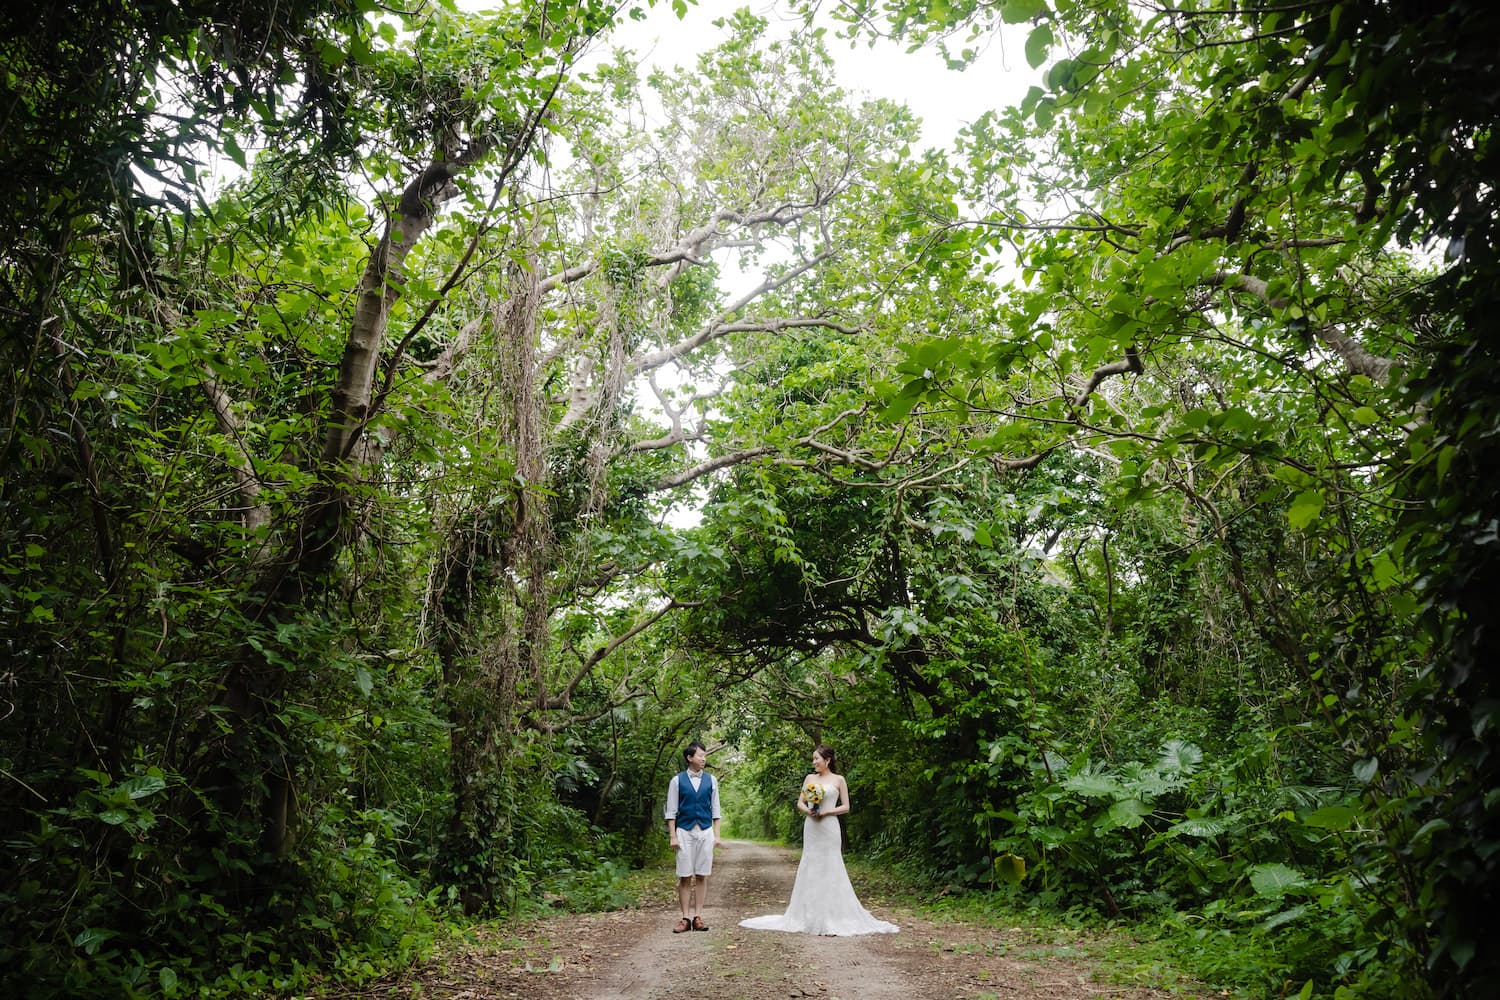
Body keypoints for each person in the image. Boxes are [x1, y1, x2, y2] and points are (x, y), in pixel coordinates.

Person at [739, 744, 899, 936]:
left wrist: (827, 811)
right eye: (813, 759)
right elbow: (800, 802)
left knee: (831, 864)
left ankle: (834, 915)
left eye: (817, 758)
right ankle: (807, 914)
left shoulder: (839, 779)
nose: (814, 762)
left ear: (827, 760)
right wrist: (809, 811)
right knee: (811, 863)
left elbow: (846, 806)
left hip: (829, 826)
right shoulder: (810, 779)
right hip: (812, 827)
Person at [664, 740, 722, 933]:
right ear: (690, 758)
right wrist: (673, 836)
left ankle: (698, 916)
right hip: (684, 831)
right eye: (700, 755)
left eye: (705, 756)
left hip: (705, 830)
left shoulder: (712, 780)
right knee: (685, 876)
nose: (704, 759)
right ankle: (685, 918)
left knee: (702, 875)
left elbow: (716, 809)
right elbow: (671, 811)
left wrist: (717, 835)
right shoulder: (677, 781)